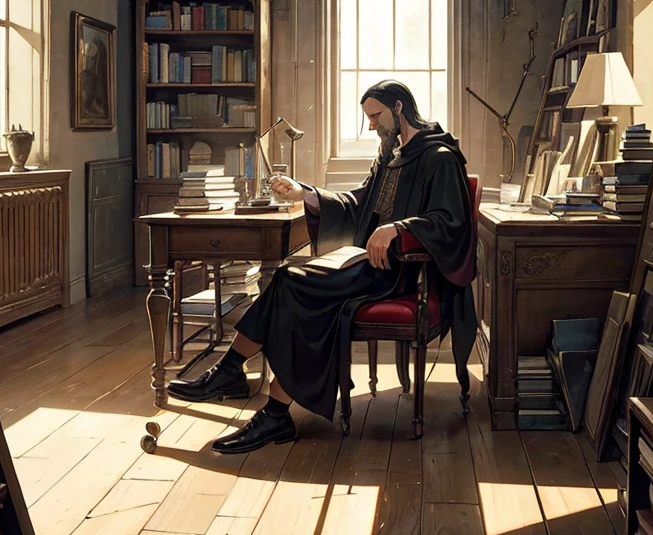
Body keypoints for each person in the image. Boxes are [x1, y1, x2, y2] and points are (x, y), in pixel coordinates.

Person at [166, 79, 477, 454]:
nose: (372, 126)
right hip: (369, 264)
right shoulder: (391, 155)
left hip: (403, 274)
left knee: (294, 286)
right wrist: (305, 193)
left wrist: (398, 229)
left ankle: (253, 393)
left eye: (376, 116)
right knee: (288, 282)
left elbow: (451, 222)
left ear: (398, 108)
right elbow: (359, 202)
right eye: (368, 118)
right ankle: (245, 385)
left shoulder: (438, 157)